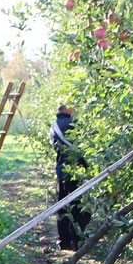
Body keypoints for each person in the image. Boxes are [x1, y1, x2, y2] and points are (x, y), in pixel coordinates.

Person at [51, 104, 90, 250]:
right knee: (78, 207)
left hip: (62, 171)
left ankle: (63, 240)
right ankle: (77, 240)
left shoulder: (54, 125)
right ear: (66, 108)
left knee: (62, 206)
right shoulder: (72, 124)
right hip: (76, 171)